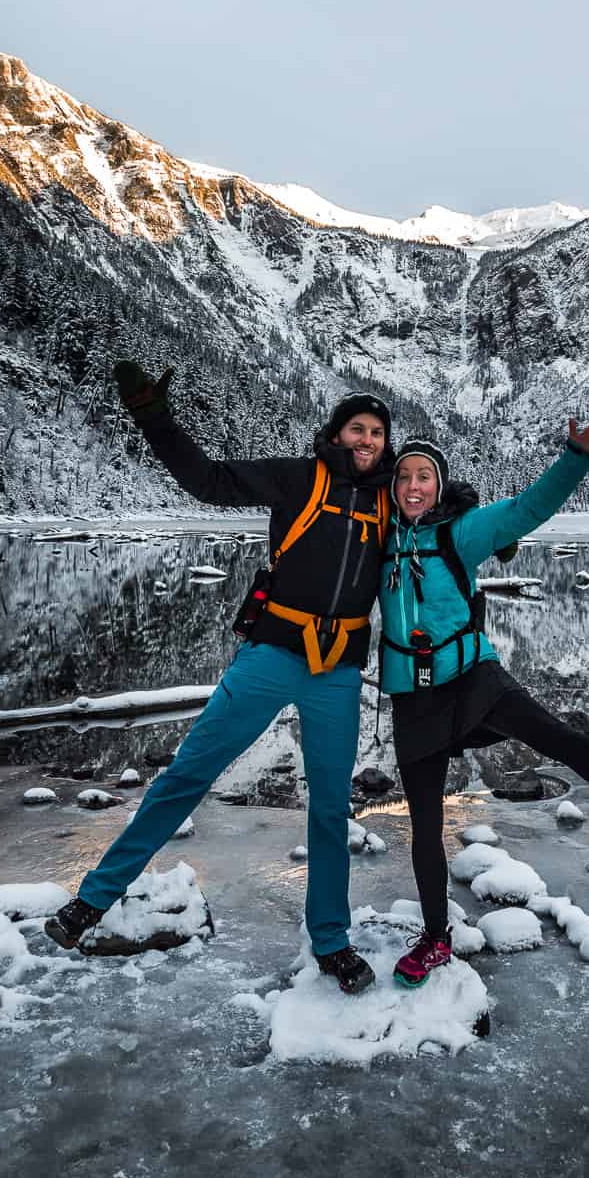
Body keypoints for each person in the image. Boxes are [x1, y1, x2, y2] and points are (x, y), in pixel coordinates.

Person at [44, 362, 395, 993]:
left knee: (329, 811)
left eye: (377, 433)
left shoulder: (390, 500)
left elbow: (443, 507)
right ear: (337, 434)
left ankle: (332, 942)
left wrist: (473, 511)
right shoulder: (298, 477)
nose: (366, 440)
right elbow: (205, 481)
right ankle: (94, 899)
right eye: (357, 429)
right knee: (186, 776)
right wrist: (154, 417)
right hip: (270, 656)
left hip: (337, 672)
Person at [378, 417, 589, 988]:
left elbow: (528, 509)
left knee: (560, 738)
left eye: (425, 477)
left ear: (439, 486)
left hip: (472, 678)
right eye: (404, 476)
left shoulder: (461, 532)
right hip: (415, 696)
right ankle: (436, 939)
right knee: (425, 821)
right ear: (392, 487)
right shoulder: (378, 541)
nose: (414, 486)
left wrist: (576, 457)